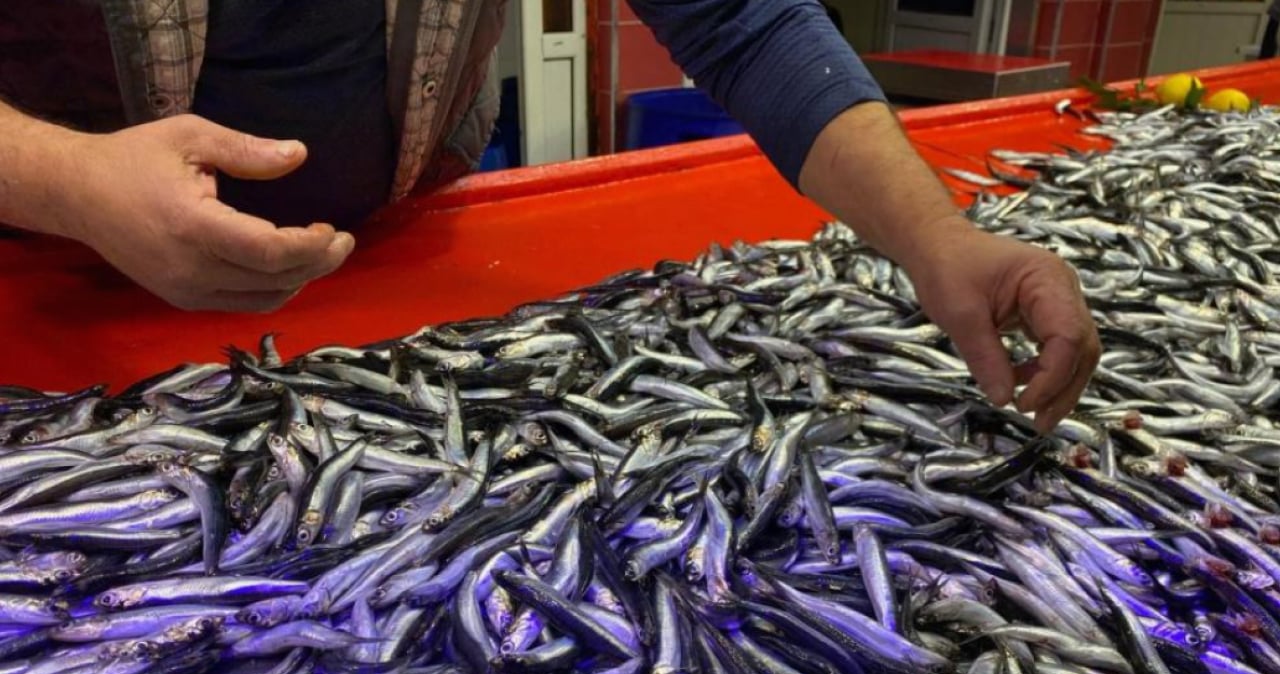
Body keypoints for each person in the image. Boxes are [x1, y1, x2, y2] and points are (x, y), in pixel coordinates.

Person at [0, 0, 1098, 432]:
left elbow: (743, 20)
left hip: (391, 265)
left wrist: (936, 236)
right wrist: (66, 183)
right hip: (45, 285)